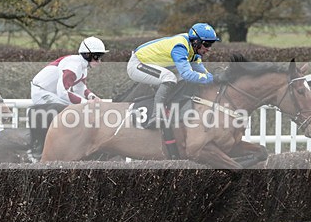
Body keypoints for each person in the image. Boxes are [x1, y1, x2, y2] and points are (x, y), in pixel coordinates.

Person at [126, 22, 220, 157]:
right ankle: (156, 115)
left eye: (211, 44)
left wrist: (214, 79)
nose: (209, 49)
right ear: (196, 42)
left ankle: (170, 108)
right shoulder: (180, 47)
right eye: (207, 44)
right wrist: (211, 78)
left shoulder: (194, 51)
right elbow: (189, 74)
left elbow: (202, 72)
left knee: (178, 78)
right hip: (137, 64)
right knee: (169, 77)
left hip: (150, 64)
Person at [28, 36, 107, 157]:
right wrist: (86, 103)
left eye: (100, 57)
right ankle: (38, 147)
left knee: (76, 109)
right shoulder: (73, 67)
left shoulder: (83, 67)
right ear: (87, 54)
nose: (99, 61)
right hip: (41, 92)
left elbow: (81, 89)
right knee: (67, 111)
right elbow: (63, 93)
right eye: (97, 57)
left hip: (52, 92)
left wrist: (92, 97)